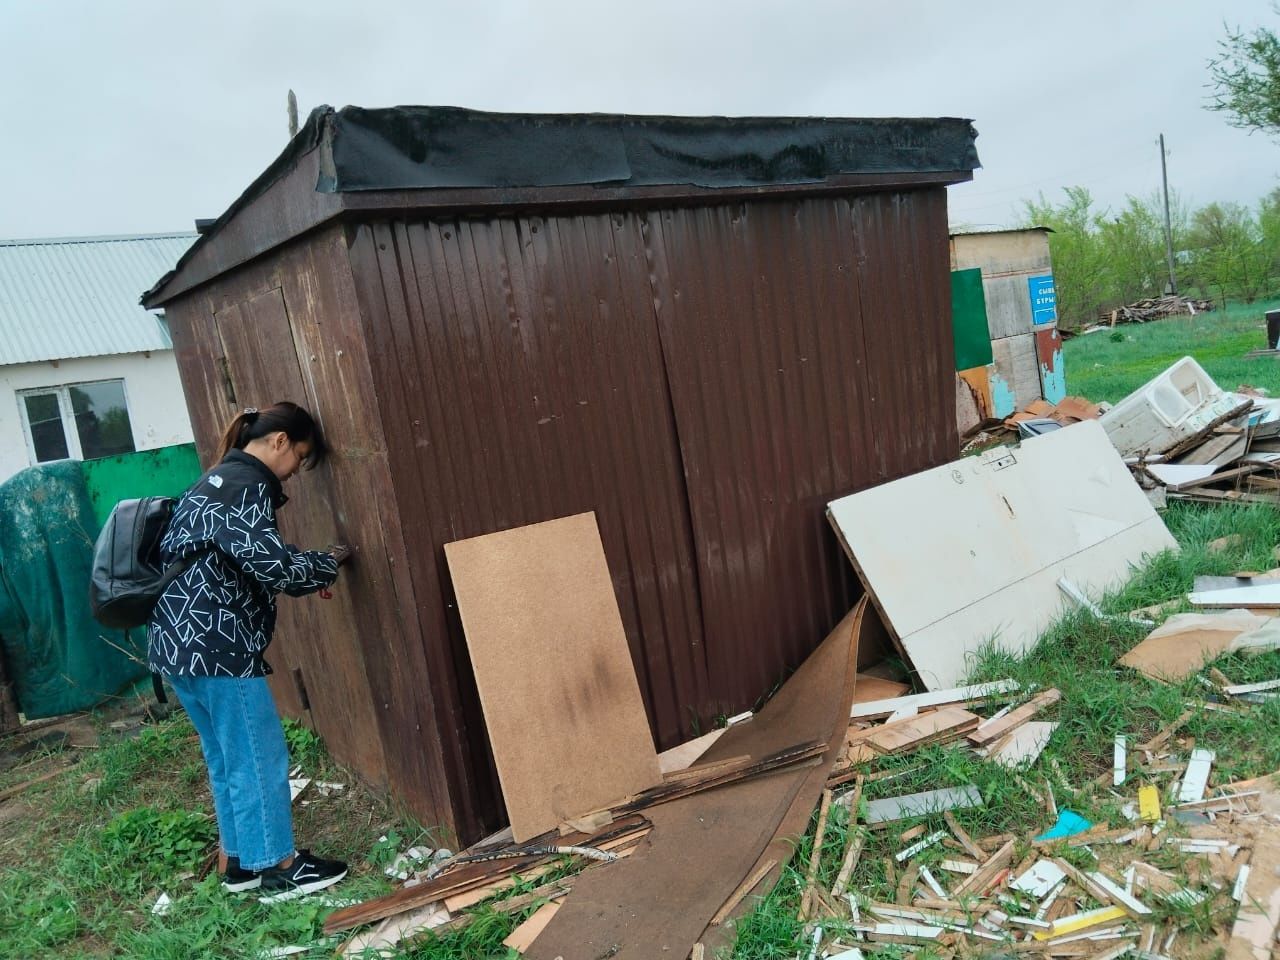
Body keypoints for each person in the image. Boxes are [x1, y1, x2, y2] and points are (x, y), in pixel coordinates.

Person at [147, 401, 353, 902]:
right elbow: (272, 565)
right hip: (217, 643)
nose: (295, 473)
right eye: (299, 459)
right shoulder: (248, 485)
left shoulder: (213, 481)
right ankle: (280, 866)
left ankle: (241, 863)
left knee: (227, 757)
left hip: (175, 642)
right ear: (279, 442)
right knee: (258, 755)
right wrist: (324, 564)